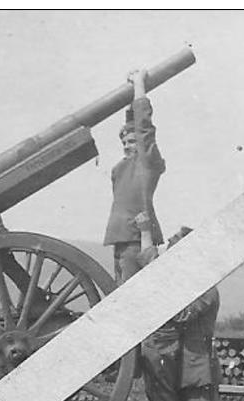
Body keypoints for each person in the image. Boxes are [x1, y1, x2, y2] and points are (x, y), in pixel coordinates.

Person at [136, 218, 243, 401]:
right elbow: (148, 258)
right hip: (171, 363)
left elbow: (179, 313)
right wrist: (145, 230)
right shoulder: (178, 280)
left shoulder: (206, 289)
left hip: (195, 370)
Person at [103, 69, 166, 285]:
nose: (127, 146)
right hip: (122, 239)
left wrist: (139, 87)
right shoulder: (122, 168)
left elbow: (144, 129)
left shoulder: (148, 162)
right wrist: (130, 97)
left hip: (137, 241)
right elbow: (133, 125)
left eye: (132, 142)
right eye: (124, 143)